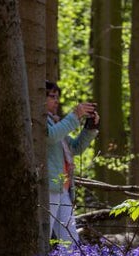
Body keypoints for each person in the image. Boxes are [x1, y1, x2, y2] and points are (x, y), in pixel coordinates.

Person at [45, 80, 98, 244]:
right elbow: (52, 136)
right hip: (49, 187)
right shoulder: (39, 122)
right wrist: (75, 115)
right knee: (43, 235)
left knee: (70, 239)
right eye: (52, 96)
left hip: (63, 188)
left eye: (57, 97)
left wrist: (90, 128)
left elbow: (74, 148)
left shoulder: (54, 121)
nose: (57, 101)